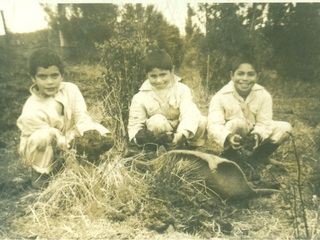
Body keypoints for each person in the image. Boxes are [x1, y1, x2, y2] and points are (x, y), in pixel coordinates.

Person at [17, 48, 114, 189]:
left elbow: (82, 116)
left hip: (67, 135)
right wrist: (70, 146)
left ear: (62, 75)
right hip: (41, 146)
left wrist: (89, 136)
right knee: (43, 137)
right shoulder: (31, 109)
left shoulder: (71, 90)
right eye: (43, 77)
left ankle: (90, 162)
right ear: (33, 78)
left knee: (98, 131)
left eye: (54, 76)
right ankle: (41, 173)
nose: (50, 82)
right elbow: (53, 136)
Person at [207, 55, 292, 165]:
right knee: (238, 123)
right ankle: (232, 156)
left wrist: (257, 135)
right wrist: (229, 136)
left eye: (250, 74)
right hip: (234, 134)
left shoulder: (264, 95)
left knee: (285, 128)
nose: (245, 79)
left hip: (255, 133)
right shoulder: (220, 96)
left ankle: (258, 157)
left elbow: (264, 122)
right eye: (240, 73)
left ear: (257, 77)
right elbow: (213, 125)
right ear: (232, 75)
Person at [128, 49, 207, 150]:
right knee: (156, 121)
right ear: (146, 74)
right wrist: (137, 139)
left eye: (163, 75)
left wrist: (181, 134)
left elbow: (189, 113)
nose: (159, 80)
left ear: (172, 71)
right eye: (153, 76)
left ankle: (192, 148)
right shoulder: (140, 96)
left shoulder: (182, 89)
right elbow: (135, 124)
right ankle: (158, 149)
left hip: (181, 132)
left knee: (201, 120)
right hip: (160, 134)